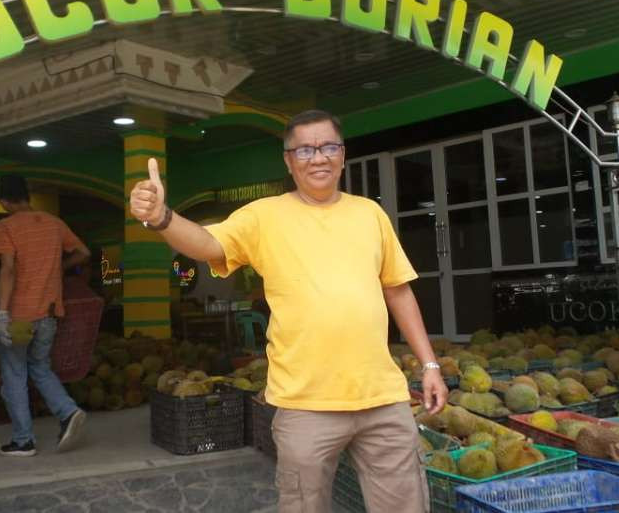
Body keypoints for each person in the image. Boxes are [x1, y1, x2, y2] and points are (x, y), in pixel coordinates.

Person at [129, 109, 447, 513]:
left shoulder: (370, 214)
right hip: (305, 405)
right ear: (288, 160)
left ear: (343, 154)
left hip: (382, 399)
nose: (318, 158)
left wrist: (430, 366)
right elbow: (209, 244)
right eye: (305, 150)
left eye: (328, 147)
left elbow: (398, 291)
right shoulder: (264, 216)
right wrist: (161, 218)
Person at [0, 174, 91, 457]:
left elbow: (8, 269)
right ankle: (68, 411)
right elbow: (83, 252)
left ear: (7, 201)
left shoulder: (6, 226)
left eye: (1, 202)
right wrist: (60, 267)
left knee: (14, 374)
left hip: (20, 315)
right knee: (40, 367)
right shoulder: (54, 223)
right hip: (49, 313)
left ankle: (23, 440)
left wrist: (1, 312)